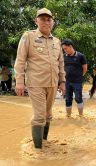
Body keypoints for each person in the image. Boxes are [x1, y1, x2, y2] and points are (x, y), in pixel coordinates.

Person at [14, 8, 66, 149]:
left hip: (53, 83)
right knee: (39, 116)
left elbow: (60, 63)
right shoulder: (28, 36)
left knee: (48, 115)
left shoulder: (56, 41)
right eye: (42, 19)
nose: (46, 22)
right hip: (36, 83)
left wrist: (62, 81)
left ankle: (44, 141)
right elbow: (20, 60)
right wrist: (19, 82)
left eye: (48, 19)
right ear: (36, 21)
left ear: (52, 22)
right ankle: (38, 151)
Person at [61, 39, 87, 117]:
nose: (65, 50)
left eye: (66, 48)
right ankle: (68, 116)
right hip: (67, 82)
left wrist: (79, 77)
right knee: (68, 99)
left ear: (71, 46)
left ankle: (81, 115)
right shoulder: (63, 57)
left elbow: (85, 69)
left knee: (78, 98)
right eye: (63, 49)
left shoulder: (80, 56)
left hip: (77, 82)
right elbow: (61, 68)